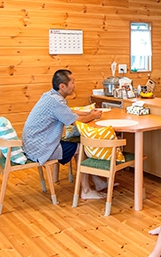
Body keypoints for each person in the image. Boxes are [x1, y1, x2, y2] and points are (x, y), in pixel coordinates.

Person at [22, 69, 108, 199]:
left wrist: (88, 112)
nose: (75, 85)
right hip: (41, 149)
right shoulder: (56, 102)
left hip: (33, 144)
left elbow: (68, 111)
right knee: (82, 148)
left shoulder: (50, 96)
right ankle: (86, 191)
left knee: (78, 145)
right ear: (62, 86)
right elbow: (75, 121)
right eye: (72, 82)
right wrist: (92, 116)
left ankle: (98, 182)